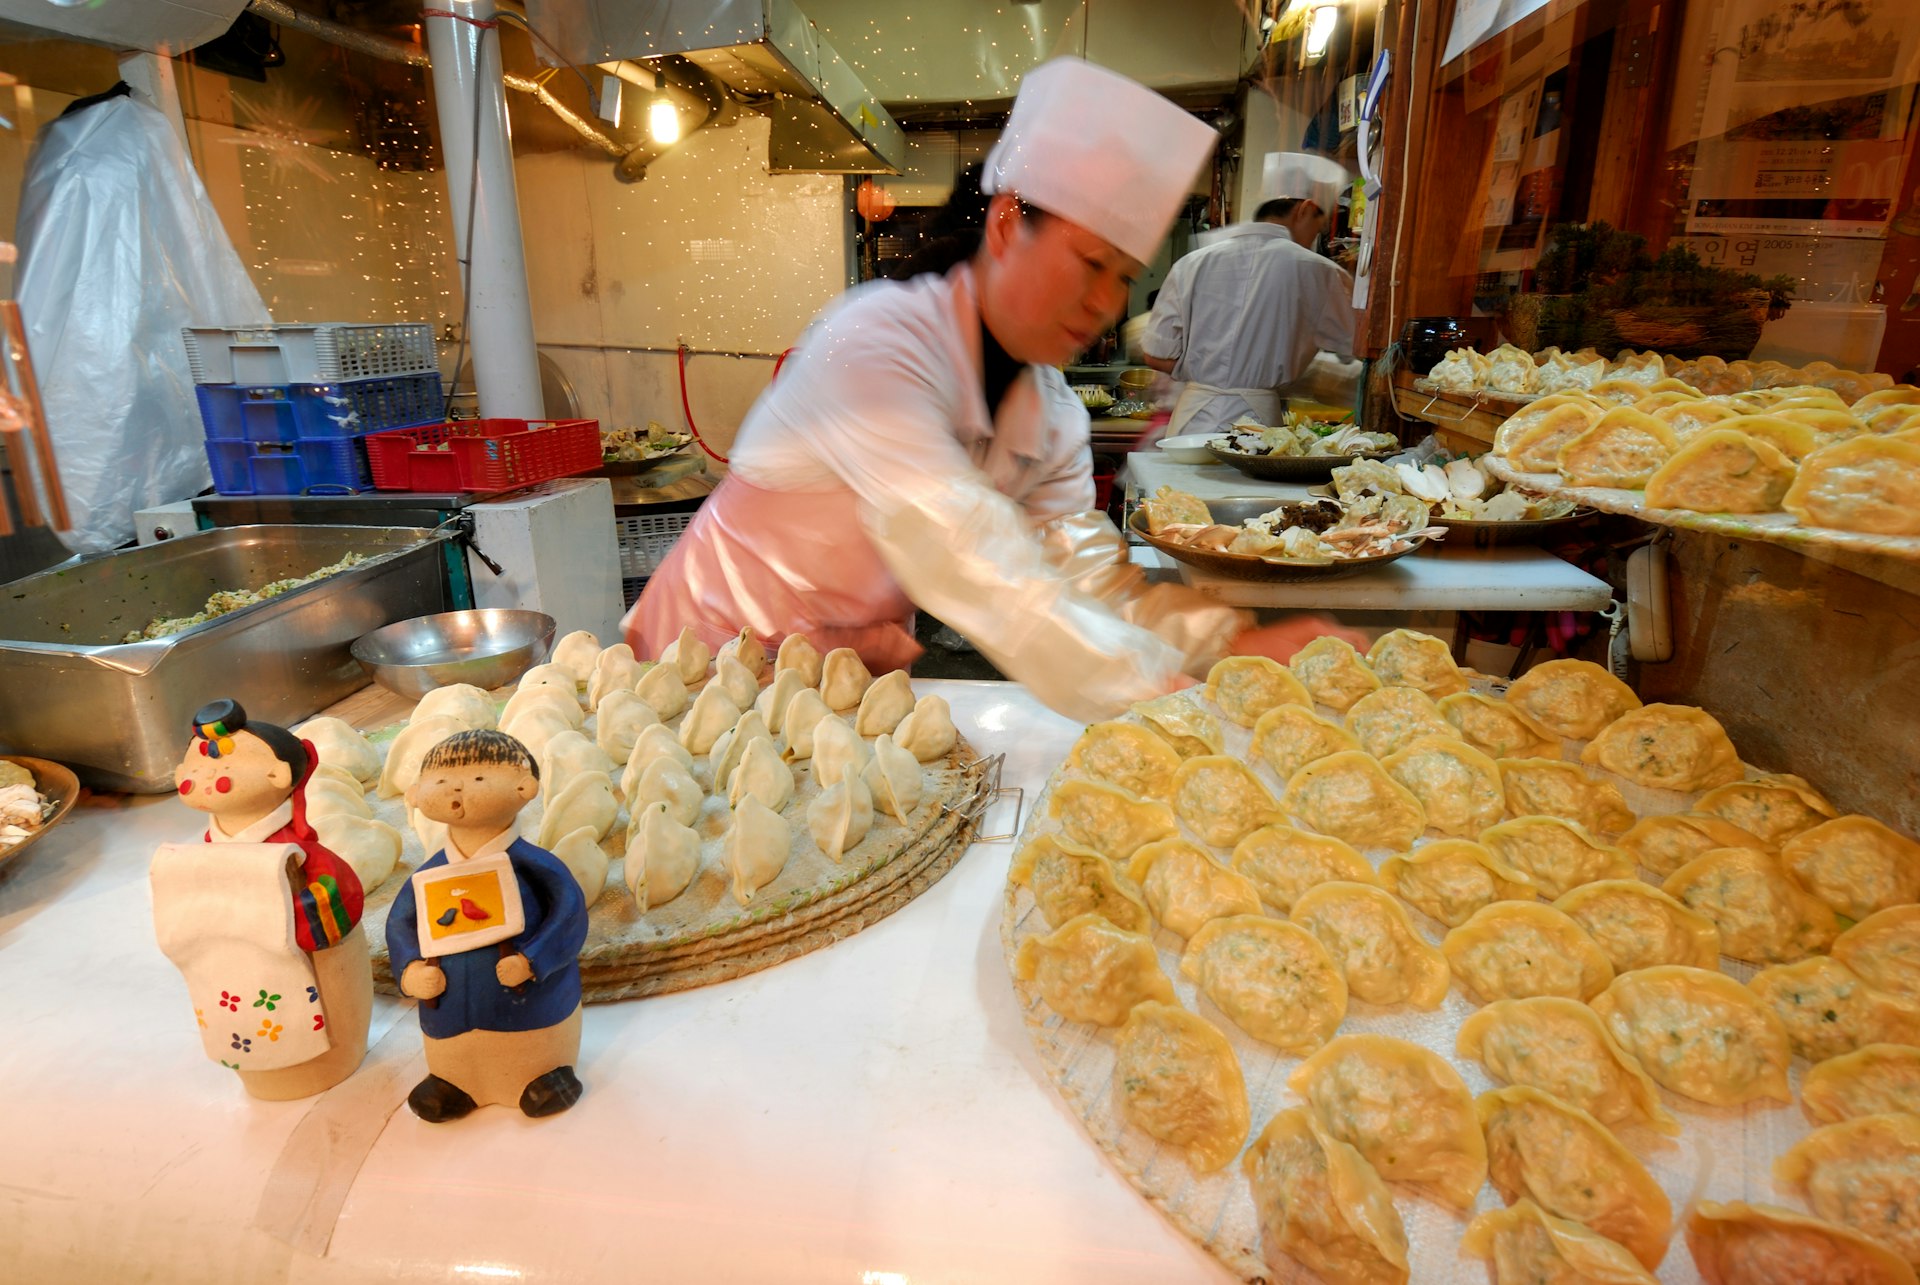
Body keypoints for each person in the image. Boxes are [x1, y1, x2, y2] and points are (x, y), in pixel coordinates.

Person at [624, 58, 1355, 721]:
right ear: (1009, 224)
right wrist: (1164, 695)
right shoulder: (875, 341)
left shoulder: (1051, 409)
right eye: (1092, 263)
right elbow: (974, 560)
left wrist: (1230, 644)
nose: (1107, 303)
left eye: (1125, 277)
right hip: (701, 673)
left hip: (837, 688)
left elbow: (1088, 579)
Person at [387, 729, 587, 1123]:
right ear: (414, 794)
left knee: (532, 1049)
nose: (457, 790)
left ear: (524, 787)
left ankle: (546, 1077)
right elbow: (401, 924)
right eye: (441, 781)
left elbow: (569, 914)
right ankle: (455, 1083)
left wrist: (533, 960)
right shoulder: (428, 878)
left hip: (532, 1004)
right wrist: (410, 969)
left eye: (479, 779)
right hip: (447, 1008)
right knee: (455, 1055)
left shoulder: (535, 867)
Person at [1140, 188, 1359, 438]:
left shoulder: (1190, 264)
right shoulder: (1321, 271)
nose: (1313, 239)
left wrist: (1204, 374)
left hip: (1193, 419)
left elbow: (1155, 356)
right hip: (1258, 423)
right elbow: (1354, 347)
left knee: (1180, 478)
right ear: (1305, 209)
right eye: (1316, 228)